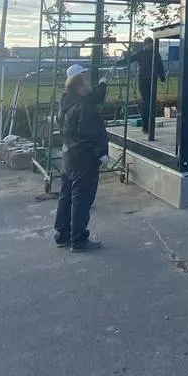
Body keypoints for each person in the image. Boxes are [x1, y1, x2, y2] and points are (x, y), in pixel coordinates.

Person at [54, 64, 108, 252]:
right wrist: (101, 154)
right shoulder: (84, 107)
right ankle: (79, 240)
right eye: (85, 80)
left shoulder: (66, 102)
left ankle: (62, 235)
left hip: (68, 156)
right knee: (81, 199)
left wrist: (103, 85)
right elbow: (90, 134)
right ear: (80, 86)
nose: (88, 83)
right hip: (84, 160)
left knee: (66, 197)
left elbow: (94, 96)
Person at [124, 37, 166, 128]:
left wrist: (162, 79)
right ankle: (146, 121)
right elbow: (130, 59)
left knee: (151, 100)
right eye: (149, 45)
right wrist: (119, 62)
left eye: (151, 45)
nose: (150, 46)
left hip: (151, 79)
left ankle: (149, 120)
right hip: (143, 79)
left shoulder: (155, 54)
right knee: (146, 100)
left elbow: (160, 66)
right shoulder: (141, 54)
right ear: (145, 45)